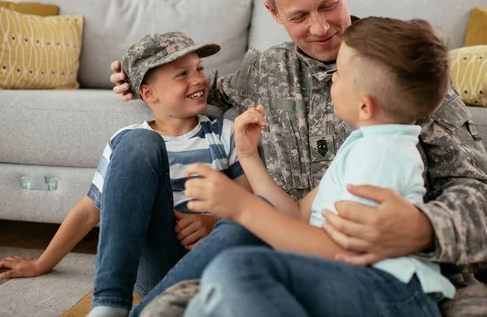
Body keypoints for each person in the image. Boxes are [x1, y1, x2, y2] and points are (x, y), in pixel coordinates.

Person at [110, 0, 487, 316]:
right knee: (225, 253)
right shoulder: (265, 70)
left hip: (386, 272)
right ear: (274, 13)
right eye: (299, 15)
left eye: (328, 5)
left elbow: (484, 198)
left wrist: (424, 228)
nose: (320, 28)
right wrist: (145, 77)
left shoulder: (400, 68)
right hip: (275, 256)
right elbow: (206, 87)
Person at [182, 16, 455, 316]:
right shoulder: (366, 144)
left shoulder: (382, 155)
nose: (330, 77)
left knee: (238, 269)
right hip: (362, 286)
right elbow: (299, 215)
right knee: (206, 302)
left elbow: (342, 250)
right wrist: (249, 157)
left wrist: (242, 207)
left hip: (393, 293)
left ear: (365, 105)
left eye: (340, 72)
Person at [0, 32, 251, 317]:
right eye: (182, 74)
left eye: (199, 69)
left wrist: (214, 222)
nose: (198, 80)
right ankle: (109, 306)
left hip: (213, 262)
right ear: (148, 93)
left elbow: (252, 204)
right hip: (158, 267)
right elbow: (88, 212)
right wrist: (42, 263)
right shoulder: (128, 142)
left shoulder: (223, 134)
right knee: (139, 141)